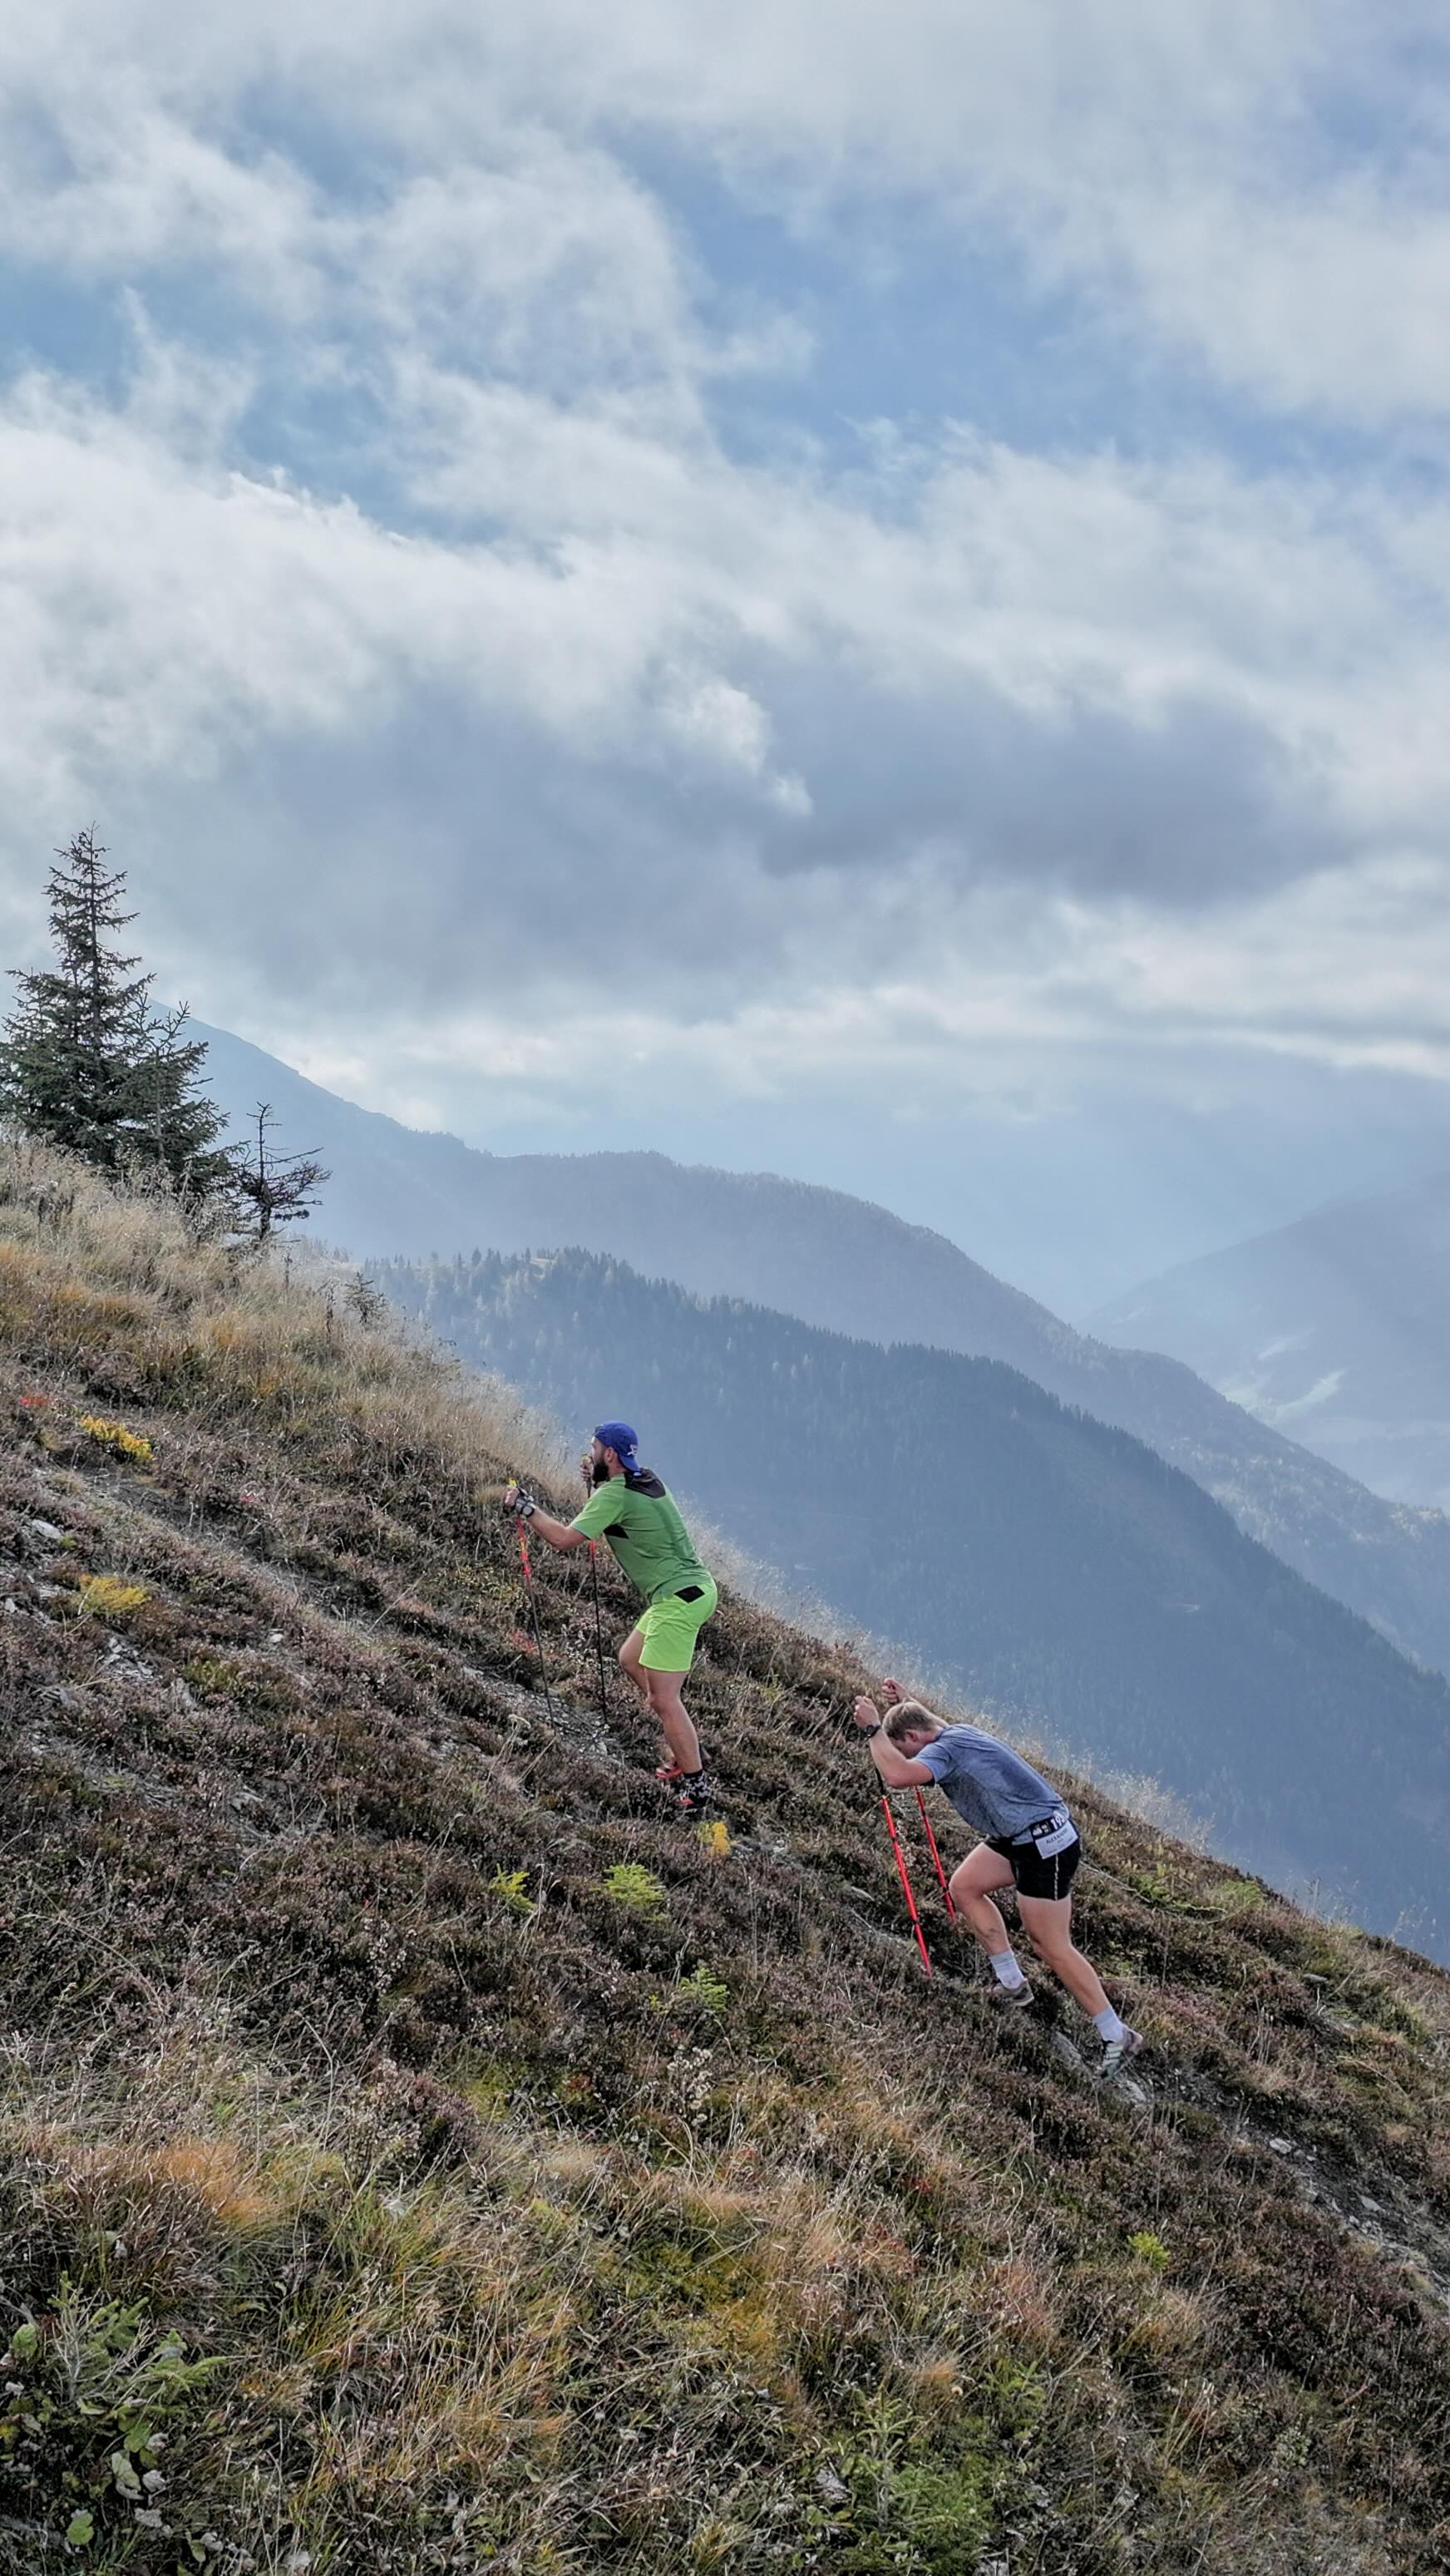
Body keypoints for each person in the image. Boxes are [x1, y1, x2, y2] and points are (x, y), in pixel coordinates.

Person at [854, 1681, 1143, 2078]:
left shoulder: (943, 1748)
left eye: (906, 1746)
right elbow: (925, 1727)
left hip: (1046, 1844)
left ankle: (1116, 2034)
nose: (920, 1761)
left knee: (1050, 1944)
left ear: (915, 1738)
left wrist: (873, 1729)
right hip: (1018, 1836)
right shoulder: (952, 1731)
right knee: (965, 1887)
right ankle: (1012, 1984)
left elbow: (900, 1776)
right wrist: (906, 1704)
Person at [504, 1423, 718, 1818]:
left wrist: (526, 1507)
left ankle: (697, 1787)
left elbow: (565, 1539)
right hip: (693, 1589)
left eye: (595, 1448)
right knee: (630, 1659)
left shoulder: (615, 1496)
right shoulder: (646, 1479)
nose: (589, 1453)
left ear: (609, 1456)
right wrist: (597, 1479)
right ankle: (689, 1747)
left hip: (677, 1601)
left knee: (663, 1699)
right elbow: (619, 1502)